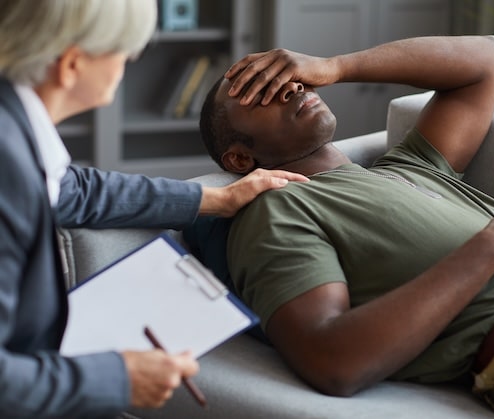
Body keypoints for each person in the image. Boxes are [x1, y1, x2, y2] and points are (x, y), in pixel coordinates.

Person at [190, 34, 494, 418]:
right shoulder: (279, 211)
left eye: (283, 75)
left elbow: (486, 61)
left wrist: (336, 66)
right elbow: (331, 360)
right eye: (258, 91)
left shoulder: (410, 165)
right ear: (240, 159)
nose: (289, 85)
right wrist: (489, 249)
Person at [0, 1, 307, 418]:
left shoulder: (15, 130)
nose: (130, 61)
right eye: (126, 52)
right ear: (72, 64)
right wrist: (119, 379)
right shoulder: (8, 167)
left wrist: (215, 199)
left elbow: (71, 190)